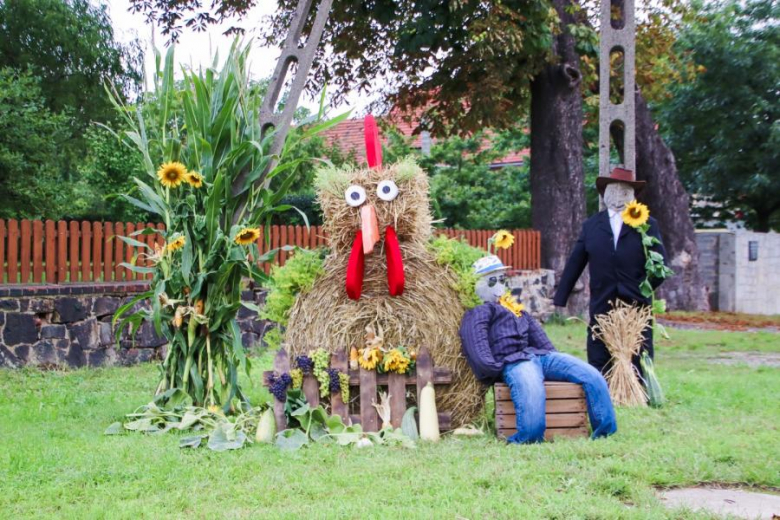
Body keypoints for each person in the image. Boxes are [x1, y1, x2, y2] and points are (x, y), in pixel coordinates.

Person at [459, 255, 616, 444]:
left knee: (590, 374)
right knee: (531, 390)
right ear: (478, 284)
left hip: (540, 357)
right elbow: (477, 343)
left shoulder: (516, 309)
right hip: (514, 362)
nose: (499, 285)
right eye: (492, 280)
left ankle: (605, 431)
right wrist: (494, 370)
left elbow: (540, 339)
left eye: (502, 278)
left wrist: (556, 362)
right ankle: (528, 437)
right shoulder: (480, 312)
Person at [553, 167, 669, 375]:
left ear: (632, 195)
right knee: (600, 348)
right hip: (602, 299)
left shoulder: (647, 224)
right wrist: (561, 296)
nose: (618, 196)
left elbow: (661, 265)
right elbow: (575, 261)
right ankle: (602, 386)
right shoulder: (591, 226)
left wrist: (643, 287)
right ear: (604, 193)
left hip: (636, 303)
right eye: (613, 190)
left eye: (624, 191)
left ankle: (638, 387)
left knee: (638, 350)